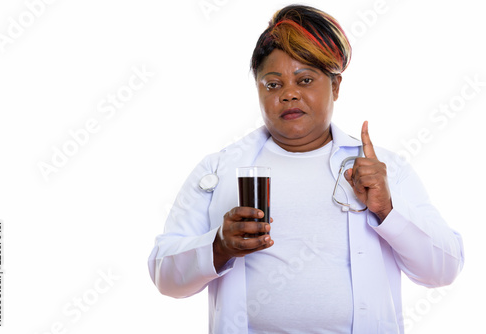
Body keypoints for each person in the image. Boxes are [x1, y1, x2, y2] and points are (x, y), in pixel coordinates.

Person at [148, 4, 464, 333]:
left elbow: (443, 270)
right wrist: (218, 247)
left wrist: (388, 209)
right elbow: (164, 276)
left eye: (305, 79)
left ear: (336, 86)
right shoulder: (219, 169)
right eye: (273, 84)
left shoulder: (382, 170)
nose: (289, 94)